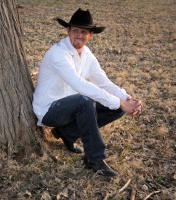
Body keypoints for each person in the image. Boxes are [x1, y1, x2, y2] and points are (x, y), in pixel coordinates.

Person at [32, 8, 142, 177]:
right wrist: (120, 101)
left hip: (72, 106)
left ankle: (65, 133)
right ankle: (95, 160)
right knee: (86, 100)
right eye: (75, 30)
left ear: (90, 35)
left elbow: (103, 81)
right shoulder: (58, 54)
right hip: (50, 110)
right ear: (68, 31)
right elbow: (81, 85)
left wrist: (126, 98)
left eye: (84, 32)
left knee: (115, 108)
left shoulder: (86, 53)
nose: (79, 35)